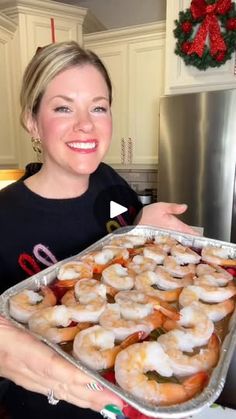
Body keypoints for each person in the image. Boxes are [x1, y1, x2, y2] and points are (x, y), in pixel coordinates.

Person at [0, 41, 196, 419]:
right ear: (32, 121)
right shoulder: (6, 217)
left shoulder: (110, 185)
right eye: (63, 107)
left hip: (138, 395)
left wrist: (141, 225)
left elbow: (133, 254)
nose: (86, 124)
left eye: (98, 107)